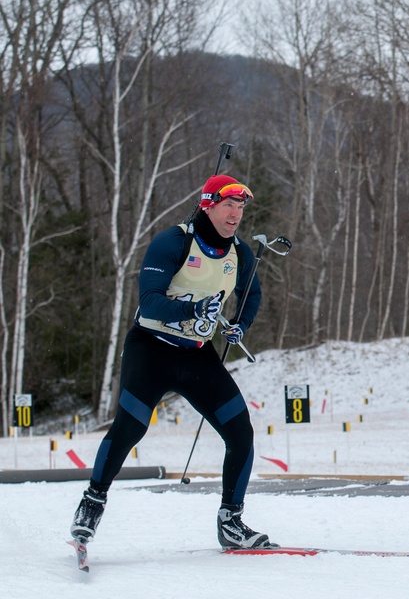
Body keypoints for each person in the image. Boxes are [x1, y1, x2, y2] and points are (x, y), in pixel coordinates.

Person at [71, 174, 276, 550]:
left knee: (240, 432)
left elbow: (252, 293)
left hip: (196, 355)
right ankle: (92, 502)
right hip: (151, 349)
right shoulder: (174, 242)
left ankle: (230, 521)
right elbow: (149, 302)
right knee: (129, 430)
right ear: (208, 205)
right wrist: (194, 309)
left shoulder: (240, 253)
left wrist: (240, 325)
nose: (235, 214)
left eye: (240, 207)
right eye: (228, 205)